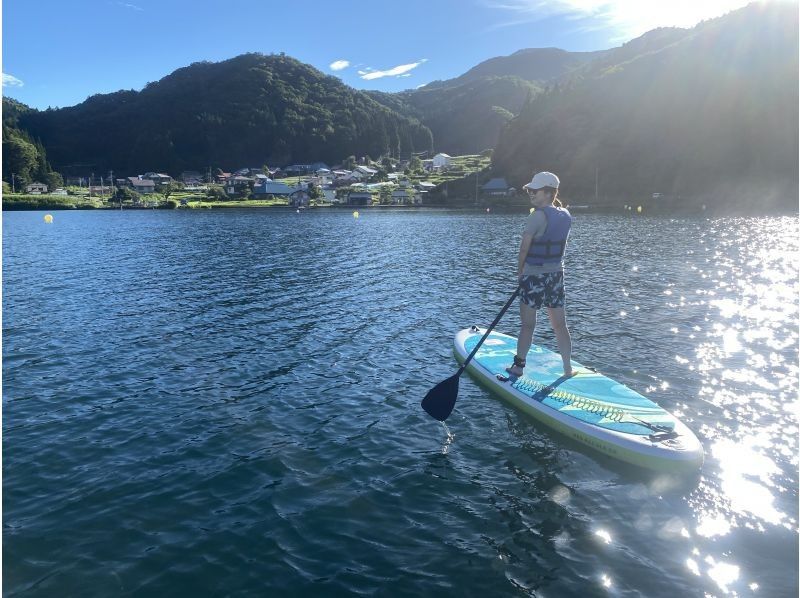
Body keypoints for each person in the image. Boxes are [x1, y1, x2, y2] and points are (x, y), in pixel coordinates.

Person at [507, 171, 573, 378]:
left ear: (547, 193)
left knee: (528, 324)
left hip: (534, 276)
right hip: (556, 276)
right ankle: (567, 368)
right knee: (560, 325)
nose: (530, 193)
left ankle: (518, 367)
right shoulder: (565, 215)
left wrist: (520, 273)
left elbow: (524, 248)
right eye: (529, 190)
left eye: (534, 191)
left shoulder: (537, 216)